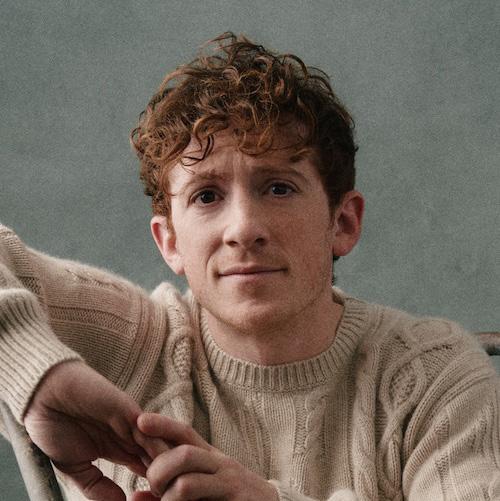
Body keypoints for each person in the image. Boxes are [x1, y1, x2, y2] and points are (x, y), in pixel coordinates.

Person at [0, 32, 498, 501]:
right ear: (170, 241)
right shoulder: (135, 346)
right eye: (206, 195)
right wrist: (37, 373)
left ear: (342, 222)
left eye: (279, 188)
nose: (243, 228)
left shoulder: (433, 376)